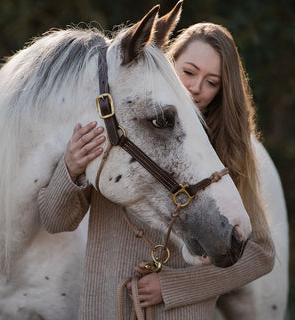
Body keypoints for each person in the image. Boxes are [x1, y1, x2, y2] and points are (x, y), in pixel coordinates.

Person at [38, 23, 275, 319]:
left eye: (212, 82)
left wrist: (173, 286)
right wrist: (70, 169)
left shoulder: (227, 150)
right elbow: (54, 220)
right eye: (188, 72)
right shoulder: (120, 129)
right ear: (167, 63)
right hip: (105, 310)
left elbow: (261, 254)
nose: (196, 88)